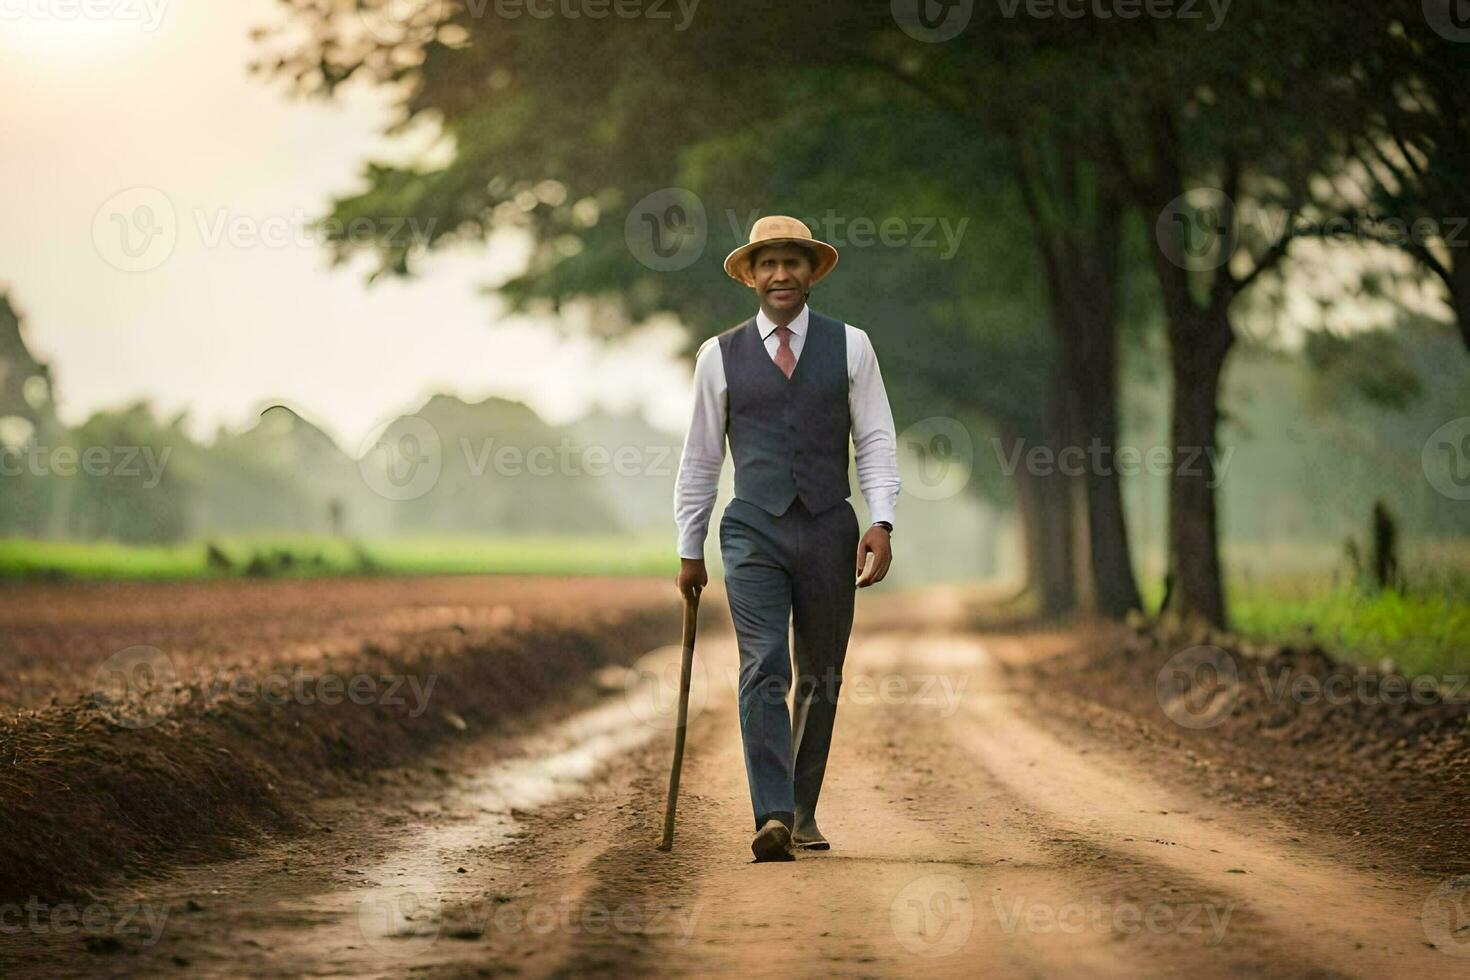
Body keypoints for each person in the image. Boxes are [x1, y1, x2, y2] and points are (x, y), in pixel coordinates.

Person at [673, 214, 901, 862]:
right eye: (767, 263)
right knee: (764, 662)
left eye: (792, 262)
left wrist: (881, 522)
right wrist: (690, 548)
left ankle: (803, 809)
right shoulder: (719, 355)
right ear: (751, 275)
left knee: (820, 674)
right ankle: (771, 814)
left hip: (831, 524)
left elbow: (876, 440)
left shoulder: (851, 346)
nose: (780, 274)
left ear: (810, 273)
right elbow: (699, 458)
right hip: (752, 529)